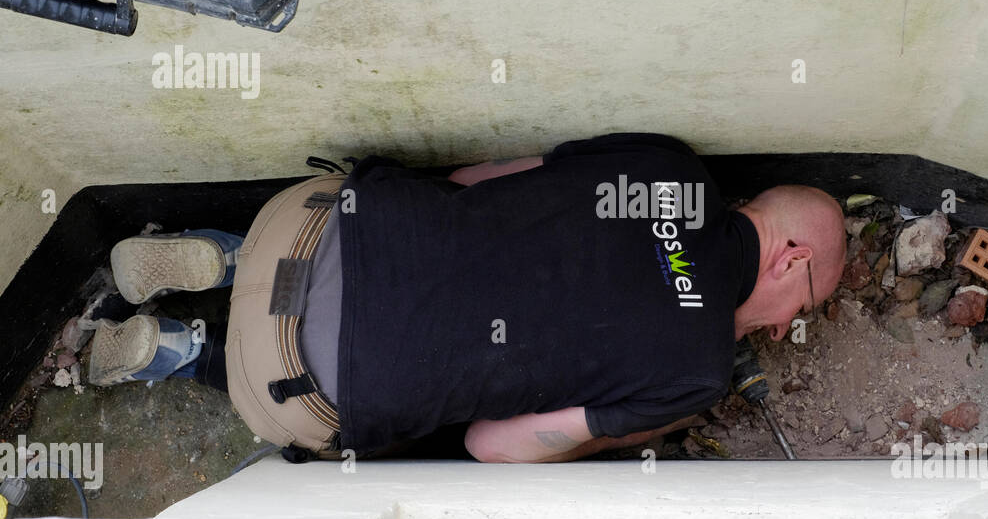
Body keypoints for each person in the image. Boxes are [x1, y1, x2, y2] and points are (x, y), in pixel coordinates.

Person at [86, 134, 846, 463]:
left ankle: (223, 257)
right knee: (346, 382)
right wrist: (603, 438)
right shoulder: (698, 370)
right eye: (804, 309)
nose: (783, 332)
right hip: (297, 380)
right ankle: (189, 354)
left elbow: (482, 182)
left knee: (357, 246)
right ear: (793, 258)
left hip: (307, 225)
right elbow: (492, 445)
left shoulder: (670, 170)